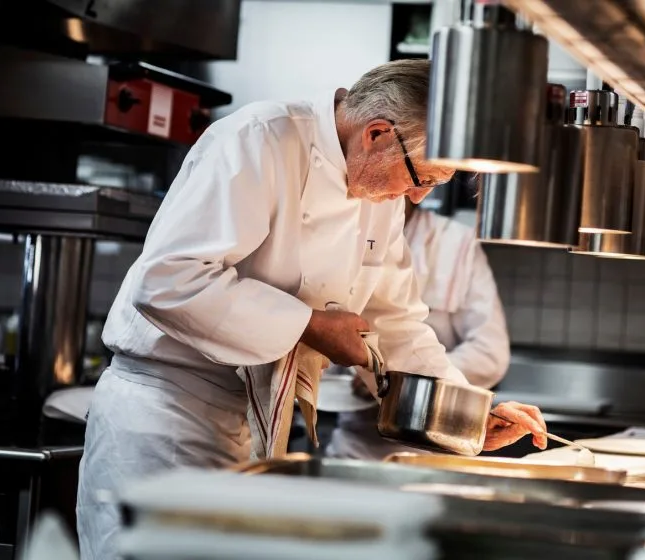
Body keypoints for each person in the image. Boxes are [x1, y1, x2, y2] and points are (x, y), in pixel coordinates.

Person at [77, 59, 548, 560]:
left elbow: (395, 323)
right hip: (162, 424)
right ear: (376, 134)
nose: (417, 196)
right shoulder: (259, 139)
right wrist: (308, 325)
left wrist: (467, 416)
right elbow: (167, 282)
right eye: (422, 178)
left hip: (246, 428)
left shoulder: (379, 187)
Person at [327, 197, 511, 459]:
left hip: (436, 447)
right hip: (355, 444)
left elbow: (489, 354)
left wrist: (399, 385)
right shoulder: (347, 228)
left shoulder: (457, 244)